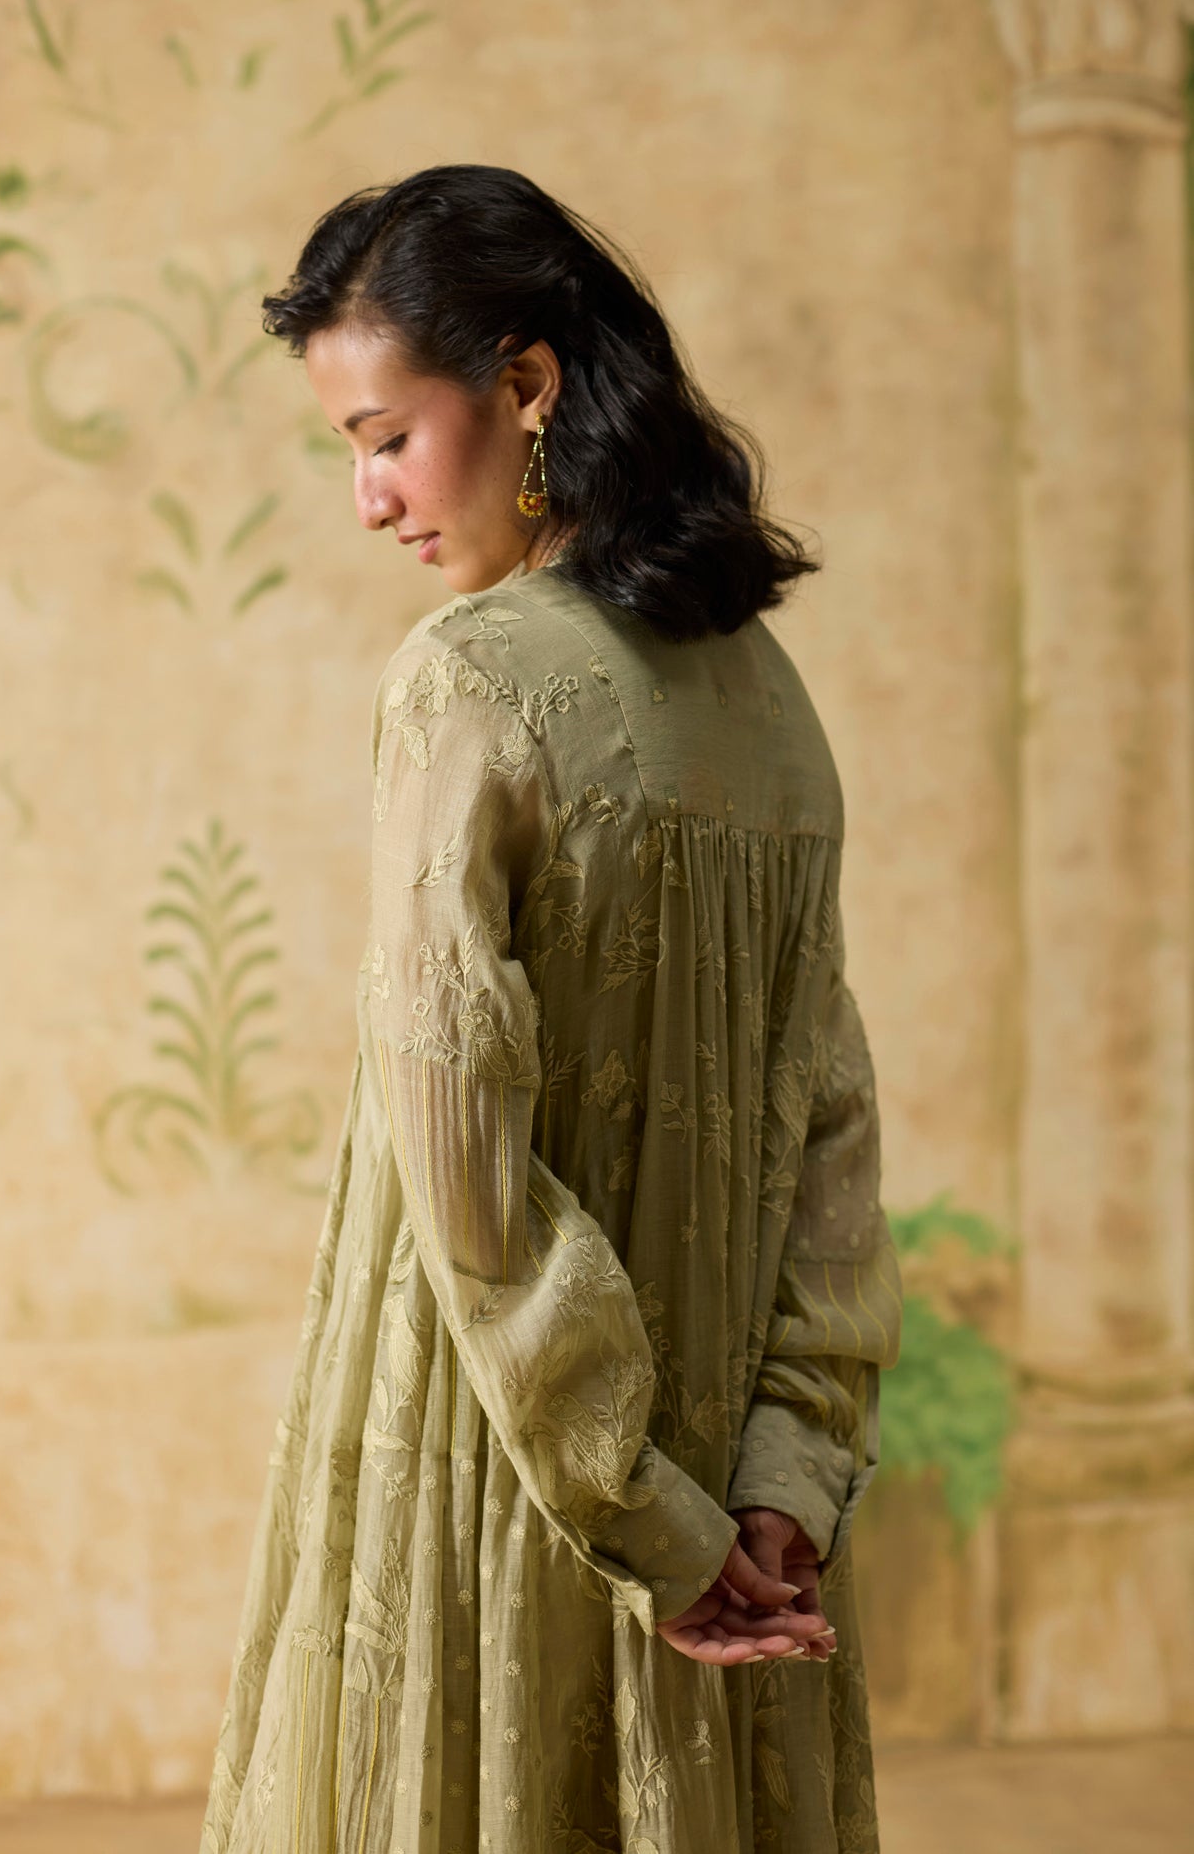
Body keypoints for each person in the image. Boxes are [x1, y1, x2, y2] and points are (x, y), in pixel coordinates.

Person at [198, 164, 903, 1854]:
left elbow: (463, 1160)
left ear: (524, 384)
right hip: (732, 1486)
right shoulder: (769, 695)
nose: (369, 498)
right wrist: (777, 1486)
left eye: (385, 437)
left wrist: (633, 1506)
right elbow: (832, 1122)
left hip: (501, 1457)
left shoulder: (467, 677)